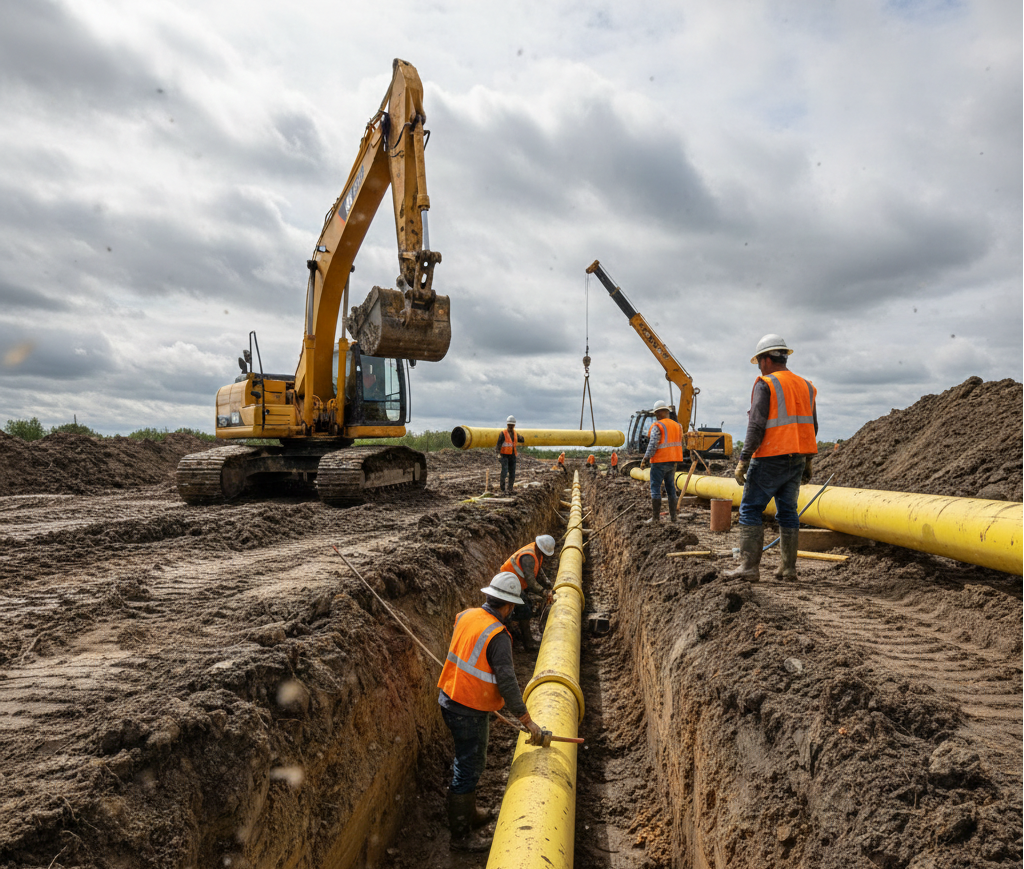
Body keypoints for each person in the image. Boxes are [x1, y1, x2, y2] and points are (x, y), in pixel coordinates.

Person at [438, 572, 545, 851]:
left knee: (468, 761)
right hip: (467, 709)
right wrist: (527, 720)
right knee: (469, 767)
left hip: (450, 697)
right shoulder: (498, 636)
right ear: (508, 606)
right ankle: (460, 838)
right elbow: (508, 683)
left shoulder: (467, 615)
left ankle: (469, 814)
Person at [726, 334, 818, 582]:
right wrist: (808, 460)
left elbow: (756, 426)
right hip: (797, 458)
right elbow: (812, 426)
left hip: (770, 457)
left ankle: (748, 568)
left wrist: (743, 459)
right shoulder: (806, 386)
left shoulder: (765, 384)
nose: (759, 368)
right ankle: (788, 569)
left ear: (766, 360)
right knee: (788, 512)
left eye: (759, 362)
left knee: (750, 509)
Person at [500, 535, 556, 651]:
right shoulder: (528, 557)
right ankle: (528, 643)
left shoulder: (536, 552)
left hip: (515, 582)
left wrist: (549, 585)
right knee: (524, 609)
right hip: (507, 582)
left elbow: (538, 571)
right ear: (541, 548)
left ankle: (514, 627)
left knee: (527, 605)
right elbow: (530, 582)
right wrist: (544, 592)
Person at [639, 400, 682, 523]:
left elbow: (653, 444)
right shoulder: (678, 426)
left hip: (659, 461)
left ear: (662, 412)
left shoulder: (658, 426)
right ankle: (673, 517)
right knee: (670, 489)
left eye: (657, 413)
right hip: (673, 461)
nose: (656, 416)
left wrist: (645, 458)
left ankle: (656, 518)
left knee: (655, 488)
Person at [496, 416, 524, 494]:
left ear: (514, 425)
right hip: (504, 455)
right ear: (507, 424)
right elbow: (498, 445)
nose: (511, 427)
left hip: (512, 455)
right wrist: (498, 454)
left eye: (512, 425)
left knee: (512, 472)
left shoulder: (515, 433)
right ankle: (502, 489)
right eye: (509, 425)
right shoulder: (503, 433)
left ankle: (510, 488)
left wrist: (521, 438)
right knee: (504, 472)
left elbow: (521, 439)